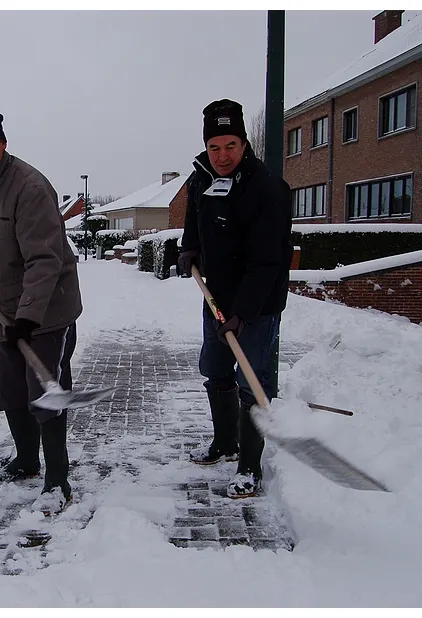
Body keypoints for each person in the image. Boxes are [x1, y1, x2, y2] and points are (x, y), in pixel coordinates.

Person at [0, 108, 82, 513]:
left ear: (3, 144)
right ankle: (27, 460)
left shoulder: (29, 186)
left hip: (47, 307)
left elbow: (45, 259)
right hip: (3, 305)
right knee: (9, 391)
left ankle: (57, 480)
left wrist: (29, 316)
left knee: (44, 394)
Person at [178, 99, 292, 499]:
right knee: (216, 369)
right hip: (217, 298)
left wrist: (242, 314)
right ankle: (225, 442)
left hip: (256, 305)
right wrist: (189, 248)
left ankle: (250, 465)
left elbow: (267, 262)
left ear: (244, 144)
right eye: (214, 147)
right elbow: (195, 219)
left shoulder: (267, 190)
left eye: (230, 145)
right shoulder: (202, 180)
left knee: (251, 380)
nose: (222, 156)